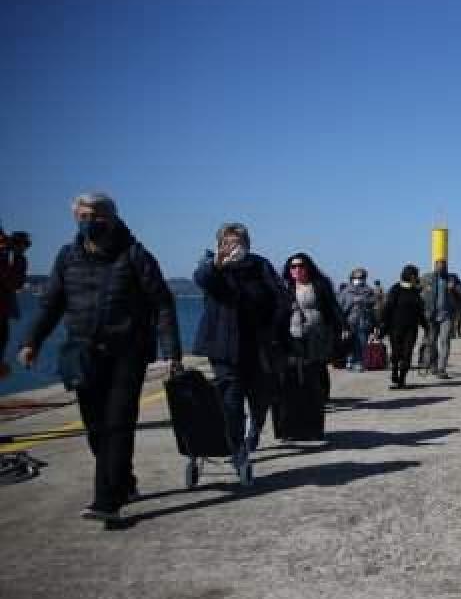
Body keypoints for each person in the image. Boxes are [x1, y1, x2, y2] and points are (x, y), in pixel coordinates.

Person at [18, 193, 183, 522]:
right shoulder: (67, 257)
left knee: (117, 425)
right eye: (80, 216)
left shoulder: (136, 255)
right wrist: (31, 341)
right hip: (82, 353)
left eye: (92, 215)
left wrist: (172, 352)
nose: (86, 222)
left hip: (128, 353)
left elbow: (162, 303)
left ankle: (106, 502)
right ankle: (124, 481)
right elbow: (51, 304)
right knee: (95, 428)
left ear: (109, 217)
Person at [194, 223, 290, 486]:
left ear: (247, 243)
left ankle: (255, 428)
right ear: (219, 244)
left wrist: (273, 326)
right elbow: (202, 278)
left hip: (257, 345)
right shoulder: (211, 265)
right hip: (224, 348)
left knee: (260, 396)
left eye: (237, 242)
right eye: (227, 242)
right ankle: (237, 451)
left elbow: (281, 297)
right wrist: (218, 263)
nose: (232, 247)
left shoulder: (260, 265)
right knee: (231, 400)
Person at [281, 252, 344, 400]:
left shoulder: (319, 285)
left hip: (317, 332)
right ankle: (304, 395)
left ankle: (322, 395)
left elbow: (333, 307)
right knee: (298, 365)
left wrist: (343, 326)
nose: (297, 269)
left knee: (317, 365)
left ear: (308, 267)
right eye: (293, 266)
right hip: (294, 332)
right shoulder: (284, 286)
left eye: (300, 265)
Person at [380, 264, 428, 389]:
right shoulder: (395, 289)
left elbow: (420, 311)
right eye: (415, 275)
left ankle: (402, 380)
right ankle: (395, 371)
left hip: (411, 329)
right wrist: (382, 324)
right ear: (410, 276)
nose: (416, 277)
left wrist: (426, 326)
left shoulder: (415, 291)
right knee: (396, 353)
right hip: (395, 328)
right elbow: (388, 308)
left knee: (407, 354)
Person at [425, 259, 461, 379]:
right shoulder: (427, 278)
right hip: (432, 316)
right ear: (435, 267)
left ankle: (442, 368)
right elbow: (419, 291)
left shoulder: (453, 279)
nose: (441, 269)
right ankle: (433, 365)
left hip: (447, 316)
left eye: (443, 267)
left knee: (445, 341)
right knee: (431, 342)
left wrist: (454, 288)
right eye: (439, 267)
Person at [0, 227, 31, 377]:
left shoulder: (18, 259)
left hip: (4, 307)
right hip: (3, 306)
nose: (24, 250)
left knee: (3, 337)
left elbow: (16, 283)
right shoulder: (6, 256)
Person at [339, 267, 379, 371]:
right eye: (356, 277)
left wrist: (375, 324)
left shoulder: (369, 291)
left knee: (362, 343)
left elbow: (374, 307)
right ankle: (349, 360)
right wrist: (352, 302)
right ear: (352, 278)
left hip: (364, 322)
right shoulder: (346, 291)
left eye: (361, 277)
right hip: (349, 322)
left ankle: (359, 362)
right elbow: (341, 308)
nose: (359, 279)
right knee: (350, 342)